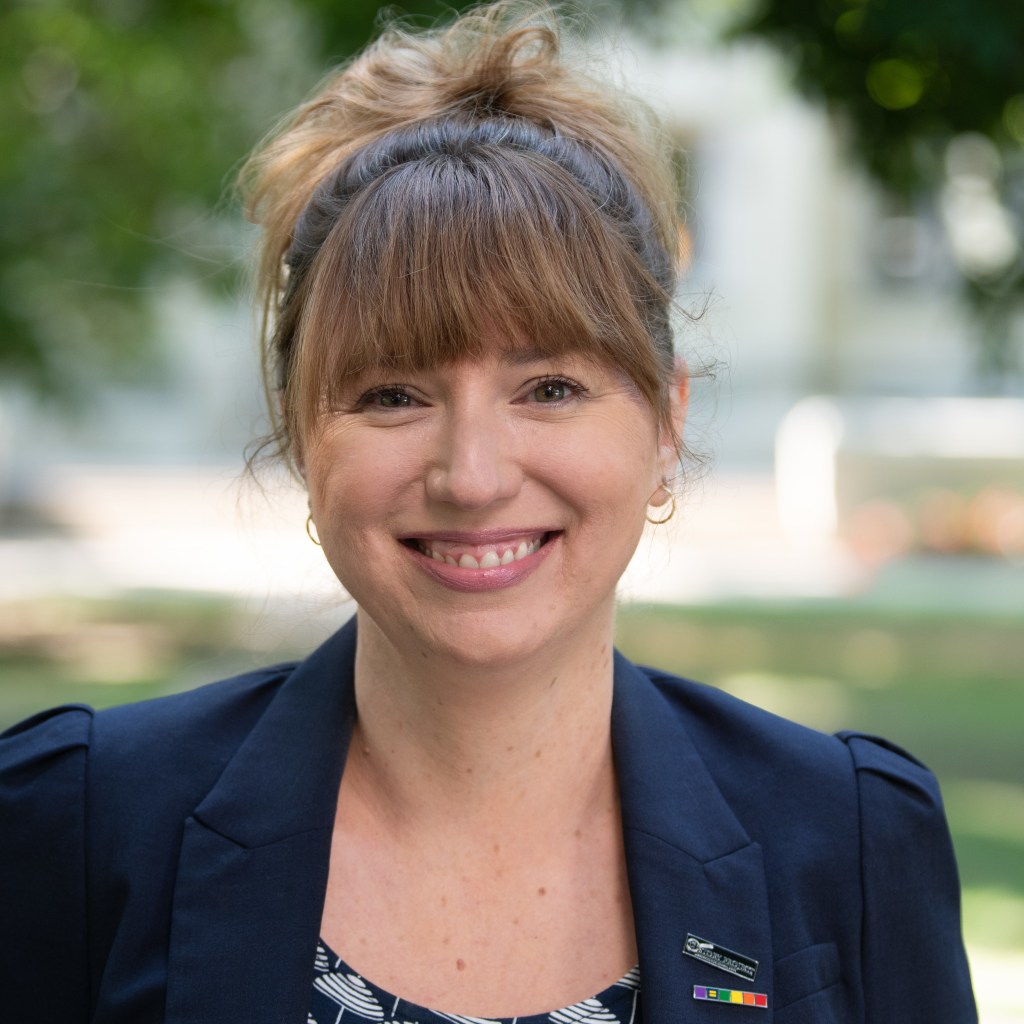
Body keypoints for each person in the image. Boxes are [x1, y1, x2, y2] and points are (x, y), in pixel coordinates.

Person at [0, 3, 976, 1022]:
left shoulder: (851, 840)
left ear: (665, 422)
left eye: (548, 387)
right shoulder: (73, 825)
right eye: (392, 394)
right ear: (298, 433)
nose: (471, 474)